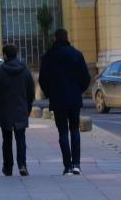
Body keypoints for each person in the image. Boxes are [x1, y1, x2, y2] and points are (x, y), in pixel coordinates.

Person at [39, 28, 92, 175]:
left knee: (62, 132)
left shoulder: (49, 56)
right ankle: (77, 164)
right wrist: (78, 91)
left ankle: (67, 165)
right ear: (67, 37)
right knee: (75, 130)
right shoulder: (76, 54)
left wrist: (50, 93)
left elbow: (42, 79)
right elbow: (86, 78)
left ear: (55, 38)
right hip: (74, 99)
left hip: (57, 99)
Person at [0, 43, 35, 177]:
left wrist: (0, 105)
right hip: (21, 108)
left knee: (7, 139)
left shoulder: (0, 71)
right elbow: (31, 91)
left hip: (5, 109)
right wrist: (27, 107)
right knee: (21, 138)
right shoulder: (25, 70)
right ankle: (22, 165)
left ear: (5, 55)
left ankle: (8, 167)